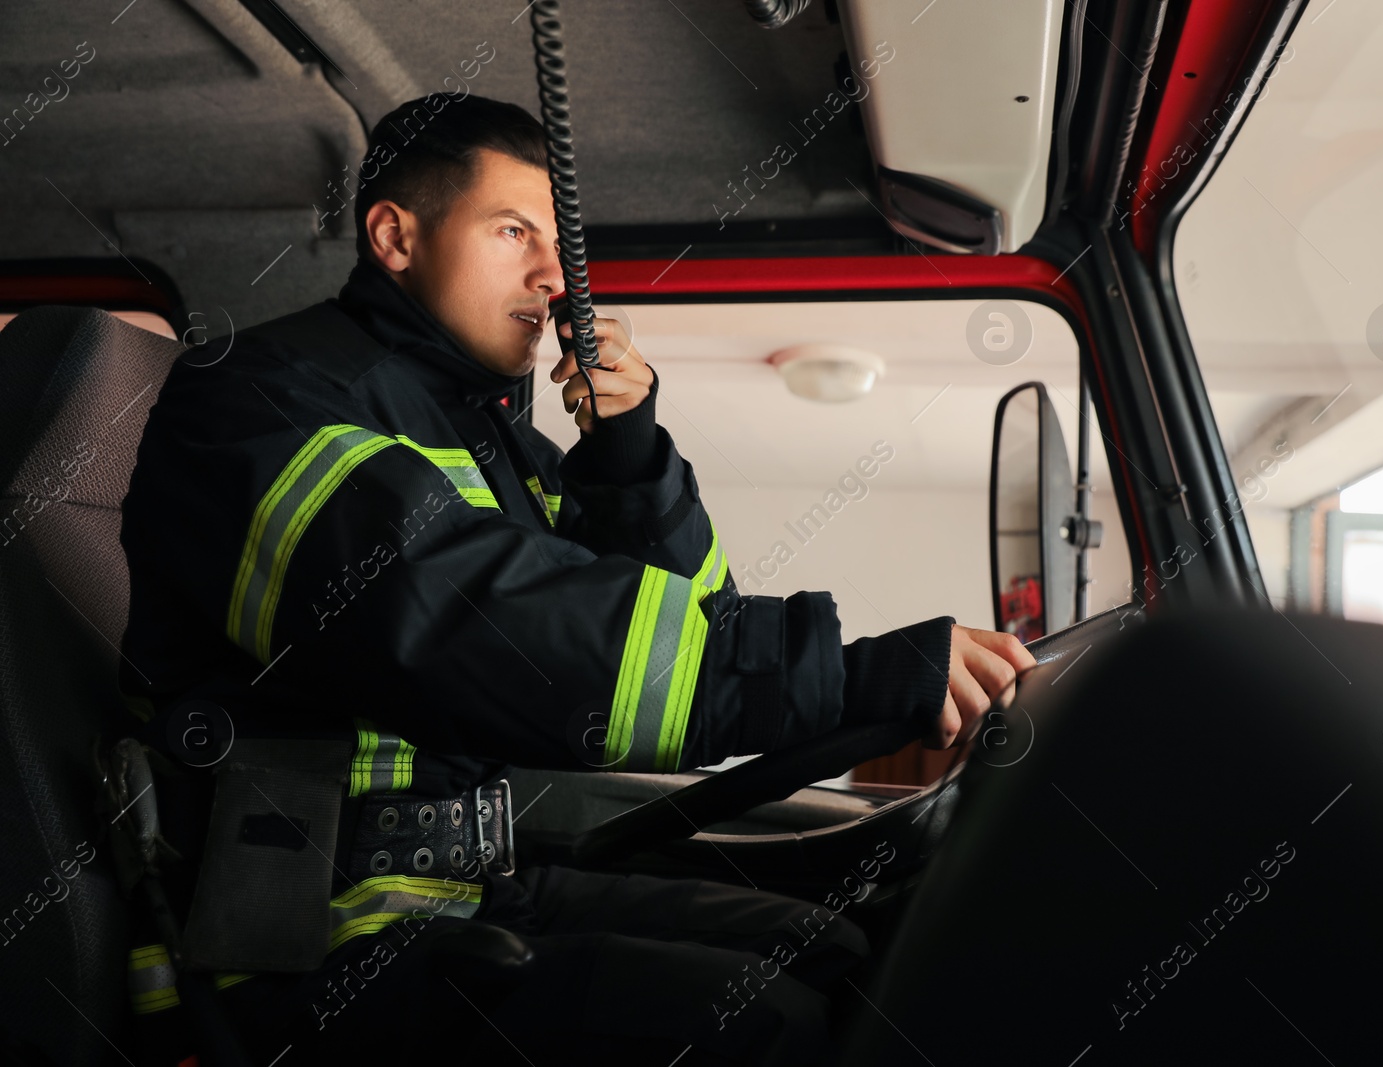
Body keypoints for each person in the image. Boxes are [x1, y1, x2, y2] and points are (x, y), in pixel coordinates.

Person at [117, 93, 1035, 1065]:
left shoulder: (483, 428)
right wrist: (847, 675)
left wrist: (626, 458)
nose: (555, 275)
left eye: (560, 243)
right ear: (394, 235)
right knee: (767, 1028)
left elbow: (683, 618)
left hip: (460, 883)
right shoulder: (265, 398)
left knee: (829, 953)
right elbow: (488, 629)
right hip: (297, 934)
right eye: (514, 230)